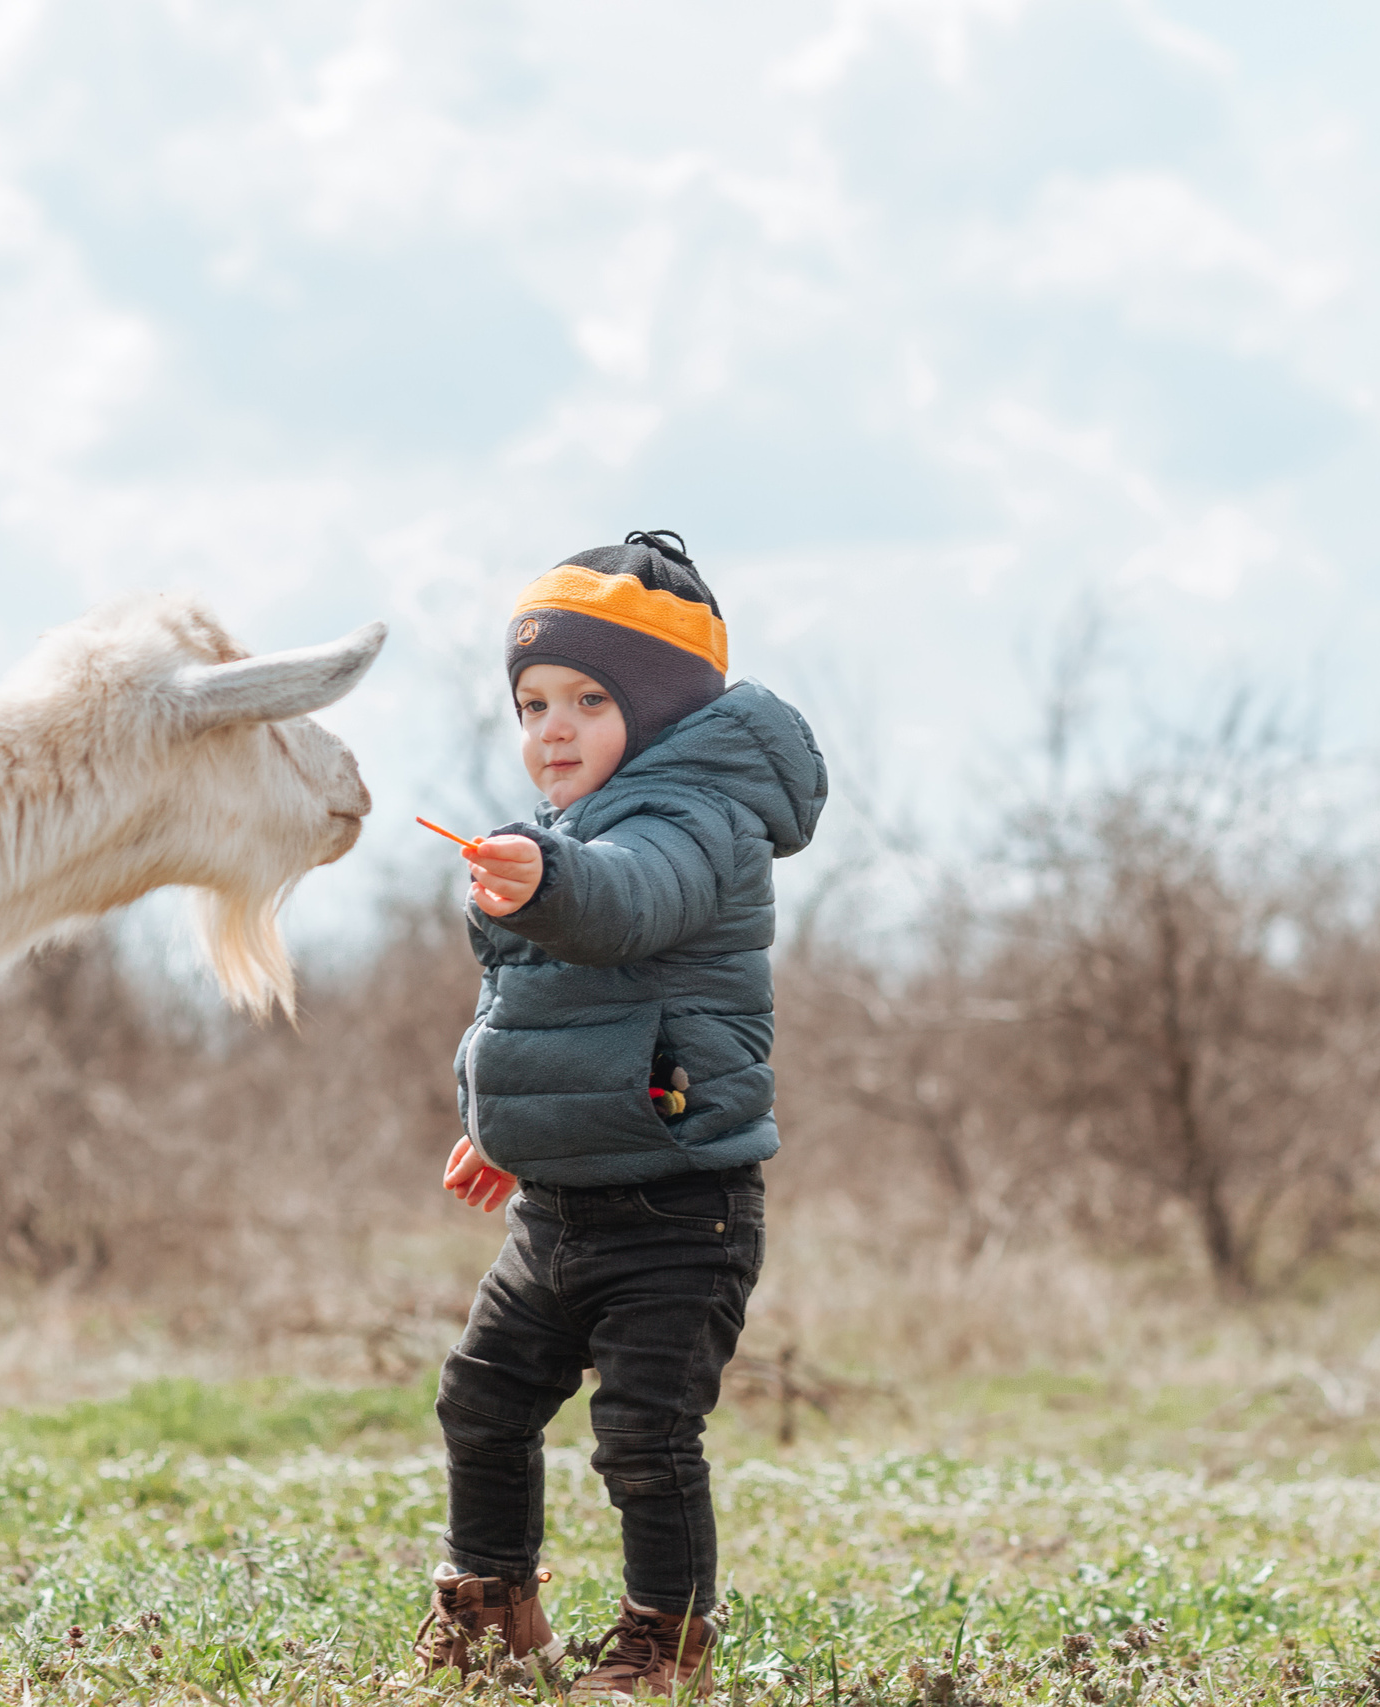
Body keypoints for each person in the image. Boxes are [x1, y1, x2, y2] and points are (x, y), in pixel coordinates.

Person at [415, 531, 826, 1699]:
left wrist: (548, 885)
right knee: (480, 1400)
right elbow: (529, 1007)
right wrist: (503, 1124)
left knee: (643, 1438)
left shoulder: (695, 820)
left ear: (657, 713)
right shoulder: (564, 834)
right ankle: (492, 1609)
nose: (552, 727)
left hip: (678, 1209)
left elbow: (626, 910)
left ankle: (663, 1640)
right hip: (559, 1207)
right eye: (534, 700)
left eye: (590, 699)